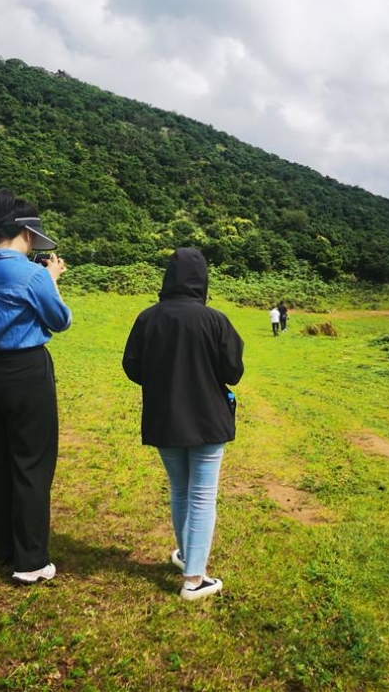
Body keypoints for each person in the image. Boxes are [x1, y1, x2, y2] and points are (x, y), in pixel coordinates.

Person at [0, 189, 72, 584]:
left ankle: (5, 549)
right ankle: (32, 560)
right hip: (24, 372)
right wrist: (50, 279)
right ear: (26, 232)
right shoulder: (30, 273)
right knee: (32, 464)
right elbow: (60, 320)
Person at [122, 248, 244, 600]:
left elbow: (133, 367)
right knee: (202, 496)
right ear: (202, 280)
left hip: (165, 419)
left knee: (179, 489)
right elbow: (233, 371)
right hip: (208, 421)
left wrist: (161, 379)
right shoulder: (215, 320)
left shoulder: (148, 318)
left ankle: (188, 556)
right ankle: (194, 578)